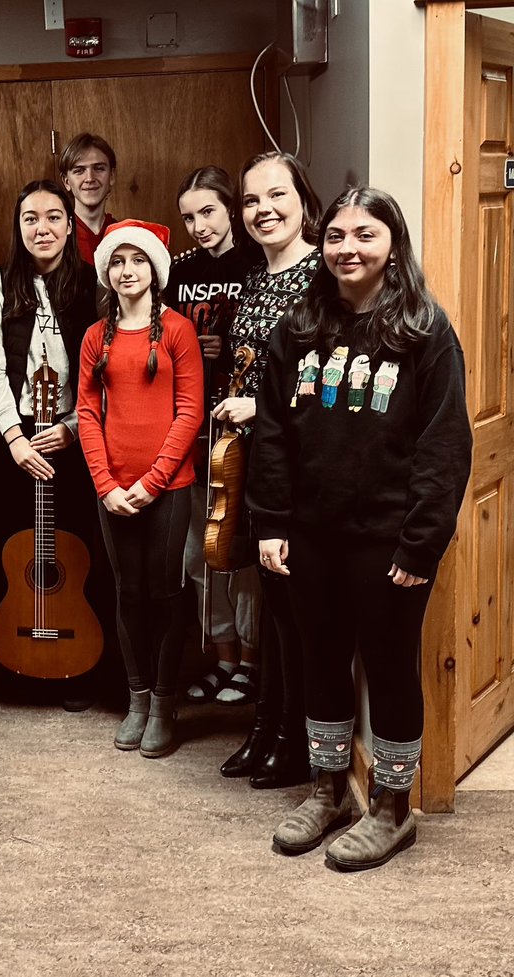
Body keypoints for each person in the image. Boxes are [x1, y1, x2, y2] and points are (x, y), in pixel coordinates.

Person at [249, 187, 471, 870]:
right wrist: (271, 522)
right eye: (337, 235)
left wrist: (421, 540)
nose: (348, 247)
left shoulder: (425, 331)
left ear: (392, 244)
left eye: (365, 235)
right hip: (309, 534)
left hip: (389, 538)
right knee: (320, 660)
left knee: (389, 666)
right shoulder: (296, 328)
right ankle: (328, 790)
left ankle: (392, 807)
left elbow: (444, 444)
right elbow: (271, 432)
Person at [214, 151, 323, 788]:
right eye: (252, 201)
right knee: (273, 603)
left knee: (294, 609)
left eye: (276, 196)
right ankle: (266, 727)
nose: (264, 211)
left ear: (302, 200)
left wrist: (259, 405)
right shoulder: (258, 275)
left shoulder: (320, 277)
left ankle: (296, 740)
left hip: (302, 466)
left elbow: (326, 374)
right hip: (257, 463)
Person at [76, 220, 203, 758]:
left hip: (168, 488)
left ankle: (165, 704)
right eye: (119, 262)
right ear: (108, 272)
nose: (128, 271)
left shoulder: (177, 330)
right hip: (113, 489)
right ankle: (137, 698)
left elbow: (190, 411)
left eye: (138, 261)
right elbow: (85, 412)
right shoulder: (95, 336)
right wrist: (106, 485)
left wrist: (153, 483)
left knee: (164, 593)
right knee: (127, 592)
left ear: (155, 269)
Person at [0, 179, 102, 708]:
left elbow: (100, 369)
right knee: (10, 546)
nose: (42, 228)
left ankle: (77, 668)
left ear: (70, 224)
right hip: (15, 436)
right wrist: (12, 436)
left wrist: (72, 428)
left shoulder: (94, 283)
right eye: (30, 218)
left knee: (77, 547)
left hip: (75, 433)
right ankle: (15, 657)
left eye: (53, 217)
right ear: (18, 226)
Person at [164, 166, 263, 707]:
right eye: (188, 217)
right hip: (192, 424)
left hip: (241, 422)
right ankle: (222, 657)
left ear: (230, 209)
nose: (198, 225)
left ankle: (250, 659)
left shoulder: (255, 265)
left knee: (241, 551)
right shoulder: (178, 272)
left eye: (207, 212)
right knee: (199, 552)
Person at [57, 132, 117, 265]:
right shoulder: (56, 237)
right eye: (79, 171)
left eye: (99, 168)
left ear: (112, 176)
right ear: (66, 181)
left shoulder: (124, 234)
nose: (89, 178)